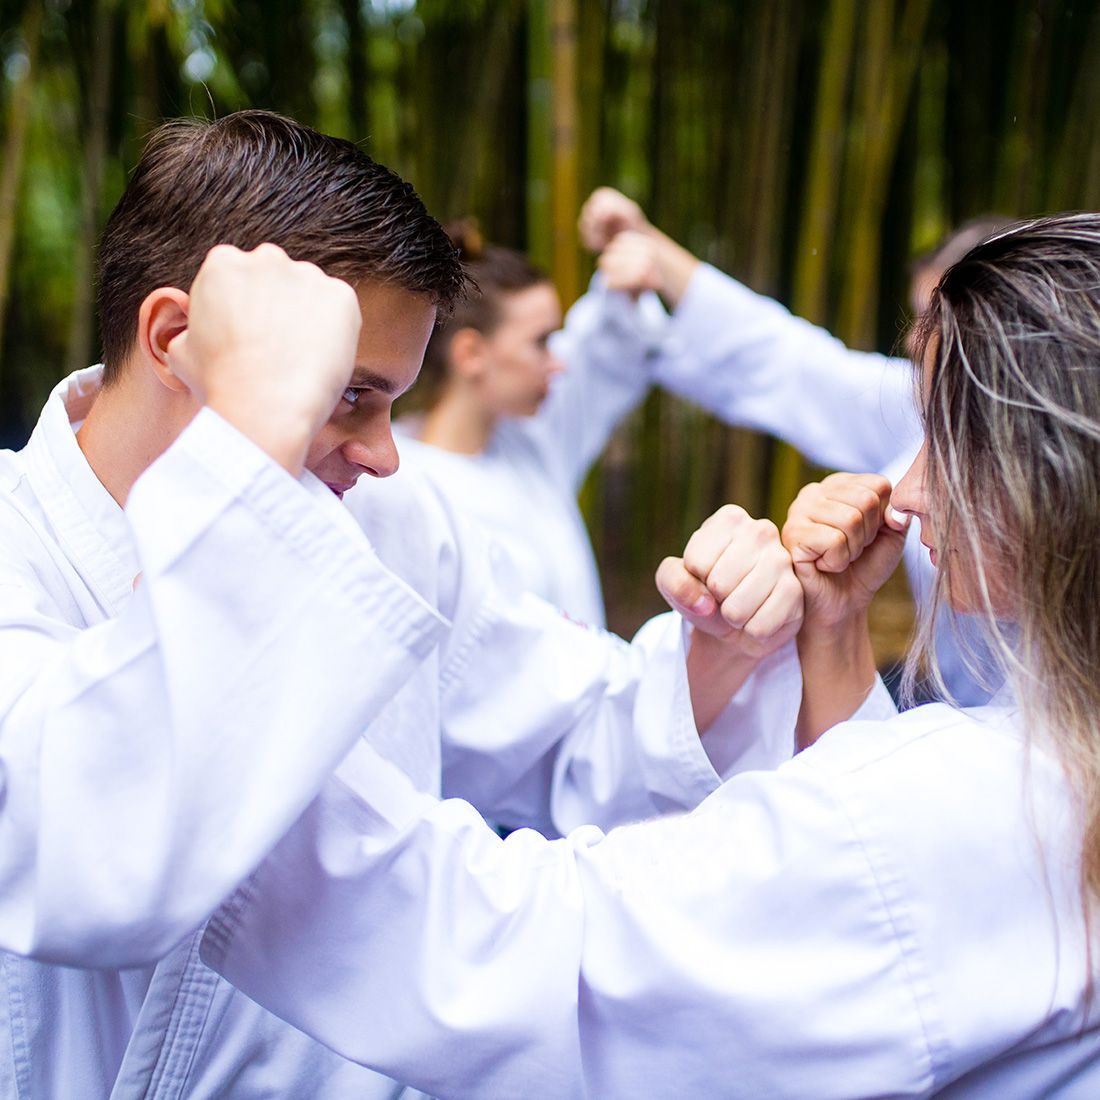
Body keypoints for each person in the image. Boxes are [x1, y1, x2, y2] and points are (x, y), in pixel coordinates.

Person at [0, 110, 804, 1099]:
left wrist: (714, 652)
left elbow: (569, 729)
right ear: (177, 338)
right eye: (349, 396)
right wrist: (251, 432)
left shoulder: (391, 518)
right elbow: (94, 849)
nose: (386, 451)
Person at [204, 214, 1100, 1097]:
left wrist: (197, 743)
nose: (903, 489)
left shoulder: (977, 805)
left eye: (947, 435)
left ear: (1056, 475)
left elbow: (542, 955)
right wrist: (831, 633)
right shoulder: (1022, 783)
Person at [580, 187, 1010, 704]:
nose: (922, 346)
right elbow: (790, 365)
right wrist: (648, 244)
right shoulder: (914, 397)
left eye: (942, 327)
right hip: (945, 700)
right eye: (920, 322)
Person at [395, 219, 675, 626]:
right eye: (541, 342)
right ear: (471, 352)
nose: (558, 362)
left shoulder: (533, 444)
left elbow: (607, 343)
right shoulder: (398, 481)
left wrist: (624, 275)